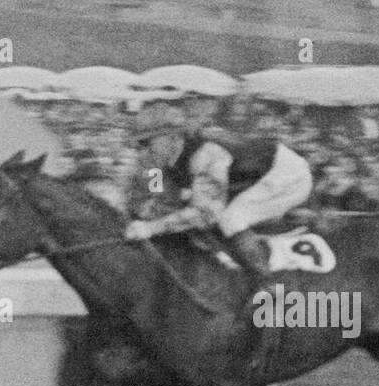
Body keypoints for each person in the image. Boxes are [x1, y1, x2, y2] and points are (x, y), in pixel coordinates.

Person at [123, 104, 314, 277]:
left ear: (172, 138)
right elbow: (156, 197)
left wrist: (150, 228)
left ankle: (265, 284)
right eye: (138, 145)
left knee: (230, 218)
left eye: (146, 143)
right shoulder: (155, 165)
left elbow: (206, 214)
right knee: (185, 212)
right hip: (248, 177)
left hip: (287, 175)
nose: (141, 152)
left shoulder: (206, 155)